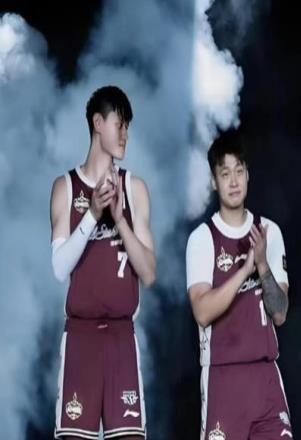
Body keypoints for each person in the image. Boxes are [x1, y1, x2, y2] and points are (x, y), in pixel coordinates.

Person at [50, 85, 156, 439]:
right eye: (119, 124)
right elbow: (59, 268)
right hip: (80, 338)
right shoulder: (65, 188)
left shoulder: (134, 188)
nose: (125, 134)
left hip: (122, 337)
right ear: (98, 123)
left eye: (128, 127)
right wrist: (93, 214)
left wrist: (120, 220)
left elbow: (149, 273)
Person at [186, 129, 293, 439]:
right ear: (213, 181)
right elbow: (202, 312)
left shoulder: (269, 231)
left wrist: (262, 266)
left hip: (266, 378)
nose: (233, 181)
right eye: (225, 173)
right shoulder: (202, 239)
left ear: (248, 175)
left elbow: (280, 313)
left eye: (239, 171)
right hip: (223, 380)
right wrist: (246, 269)